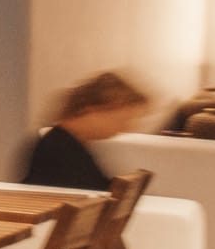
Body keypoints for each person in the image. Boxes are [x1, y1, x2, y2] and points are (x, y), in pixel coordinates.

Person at [22, 69, 150, 191]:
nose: (125, 128)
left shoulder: (72, 145)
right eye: (121, 120)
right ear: (92, 111)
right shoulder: (57, 150)